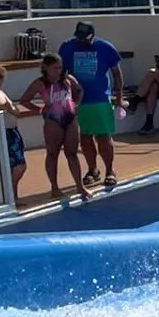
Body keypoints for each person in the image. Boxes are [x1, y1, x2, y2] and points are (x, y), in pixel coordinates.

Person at [57, 21, 124, 190]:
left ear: (93, 35)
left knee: (103, 136)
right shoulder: (67, 47)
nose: (82, 41)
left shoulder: (105, 47)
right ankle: (92, 170)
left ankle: (110, 171)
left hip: (100, 99)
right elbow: (60, 73)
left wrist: (119, 98)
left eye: (85, 38)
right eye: (79, 37)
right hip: (78, 101)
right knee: (85, 138)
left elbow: (117, 74)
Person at [18, 54, 89, 201]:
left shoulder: (67, 79)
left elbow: (80, 90)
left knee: (72, 153)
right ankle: (54, 187)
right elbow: (24, 100)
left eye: (60, 67)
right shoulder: (40, 83)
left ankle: (80, 186)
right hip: (53, 121)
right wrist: (39, 109)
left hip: (70, 119)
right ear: (46, 68)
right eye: (55, 68)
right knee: (52, 154)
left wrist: (76, 103)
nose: (58, 71)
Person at [0, 65, 28, 204]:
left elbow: (15, 111)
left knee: (19, 165)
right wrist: (3, 108)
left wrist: (9, 108)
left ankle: (13, 194)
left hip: (13, 132)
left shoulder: (1, 93)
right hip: (2, 134)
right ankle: (8, 195)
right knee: (13, 166)